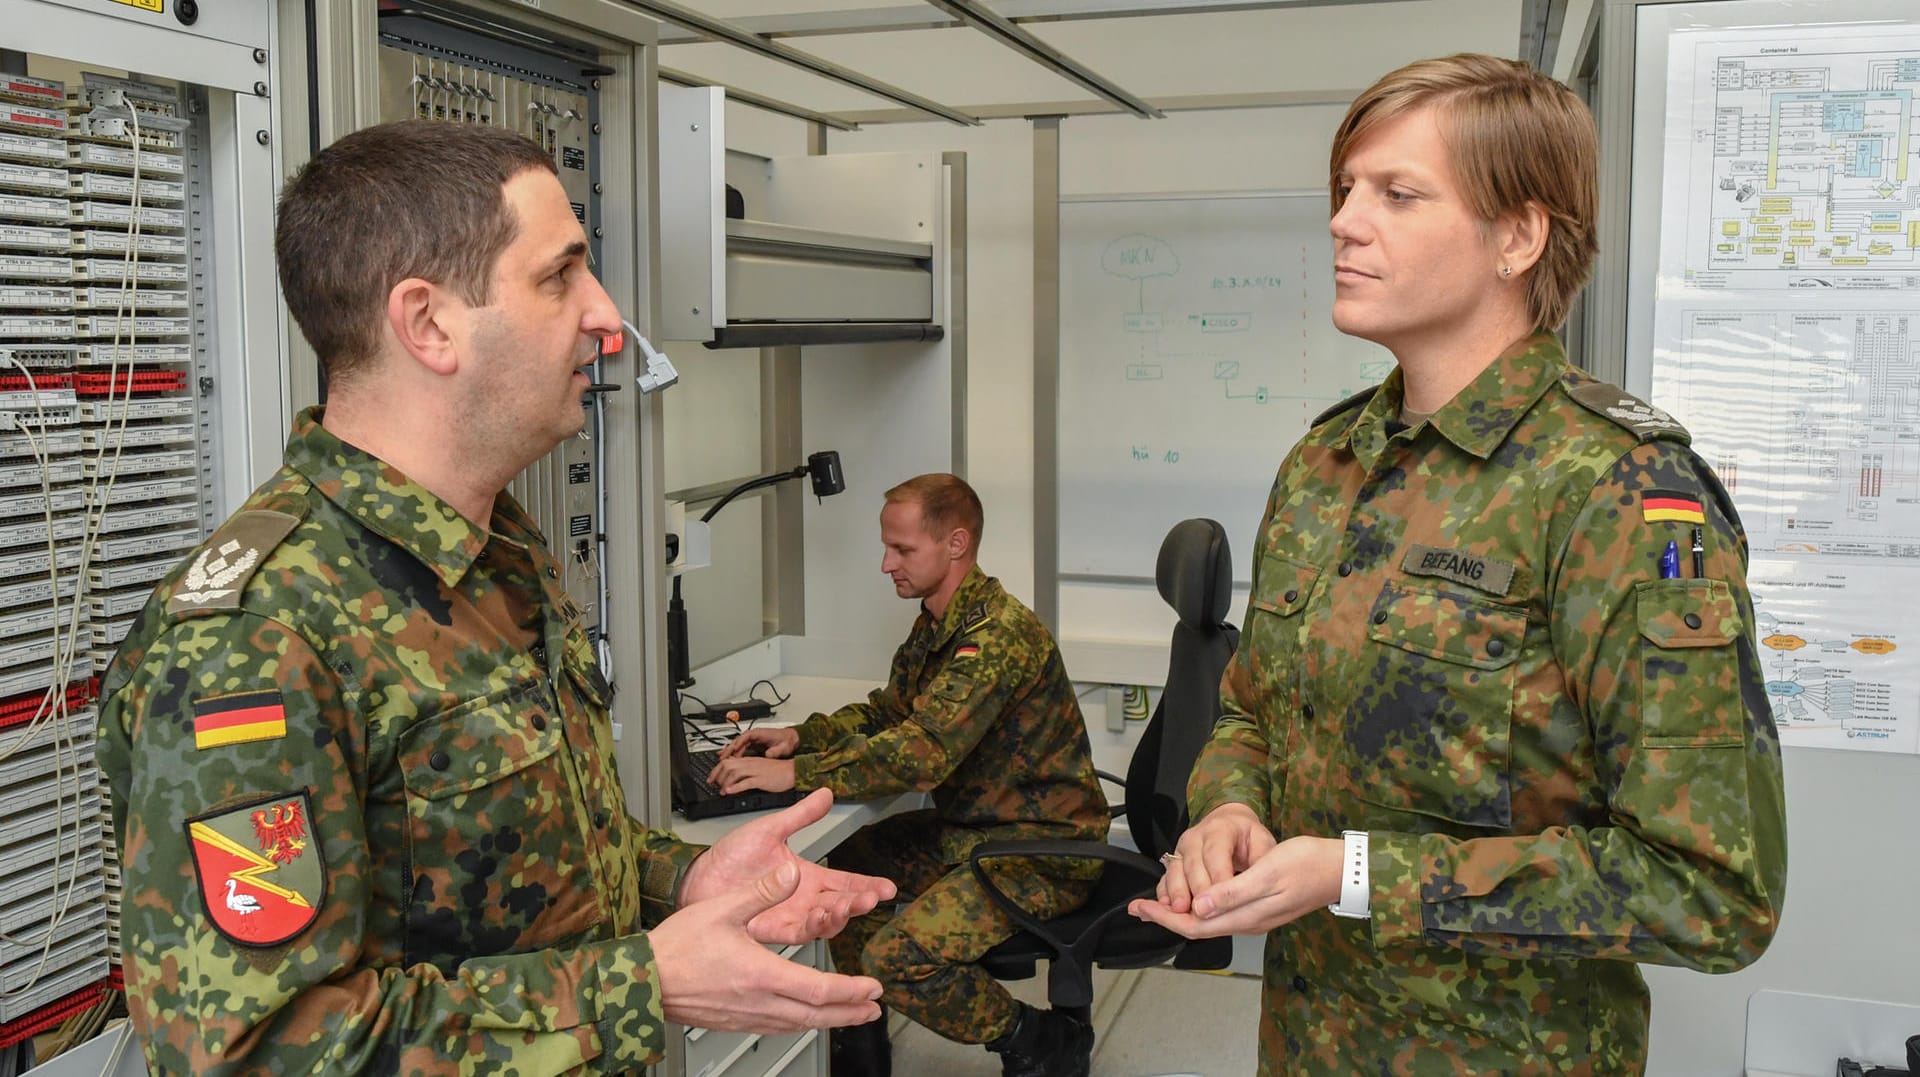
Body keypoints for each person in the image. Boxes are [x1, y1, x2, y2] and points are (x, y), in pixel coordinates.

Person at [95, 120, 895, 1076]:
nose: (606, 316)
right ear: (428, 323)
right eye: (561, 276)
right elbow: (251, 1052)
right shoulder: (253, 639)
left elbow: (527, 866)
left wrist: (686, 879)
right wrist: (641, 984)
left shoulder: (498, 549)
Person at [1127, 54, 1788, 1075]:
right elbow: (1254, 710)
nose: (1345, 221)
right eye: (1346, 190)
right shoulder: (1325, 463)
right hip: (1307, 1044)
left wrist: (1354, 875)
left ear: (1517, 236)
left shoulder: (1630, 494)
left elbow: (1712, 892)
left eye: (1397, 194)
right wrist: (1229, 808)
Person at [709, 474, 1109, 1077]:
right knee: (840, 874)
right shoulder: (939, 623)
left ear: (955, 543)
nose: (885, 564)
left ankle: (1040, 1039)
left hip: (1040, 850)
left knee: (898, 958)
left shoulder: (995, 637)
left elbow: (923, 754)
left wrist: (795, 774)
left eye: (902, 550)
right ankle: (859, 1041)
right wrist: (800, 736)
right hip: (976, 831)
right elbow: (889, 713)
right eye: (886, 547)